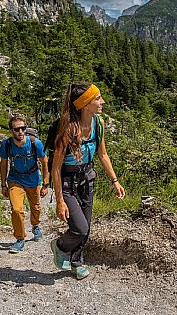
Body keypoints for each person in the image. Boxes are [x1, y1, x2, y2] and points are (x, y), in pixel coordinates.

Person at [50, 83, 125, 280]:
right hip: (68, 181)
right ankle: (59, 246)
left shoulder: (98, 124)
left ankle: (77, 263)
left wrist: (114, 180)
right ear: (85, 104)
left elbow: (103, 154)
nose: (103, 102)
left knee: (86, 228)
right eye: (98, 98)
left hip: (87, 179)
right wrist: (59, 201)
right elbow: (55, 168)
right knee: (80, 228)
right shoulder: (67, 130)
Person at [0, 114, 49, 253]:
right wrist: (3, 184)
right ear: (11, 131)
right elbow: (3, 164)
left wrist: (45, 184)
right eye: (17, 129)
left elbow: (45, 162)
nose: (21, 132)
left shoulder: (35, 143)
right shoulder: (6, 144)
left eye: (23, 128)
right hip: (15, 179)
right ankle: (20, 239)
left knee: (36, 207)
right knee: (16, 209)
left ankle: (35, 225)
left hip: (33, 179)